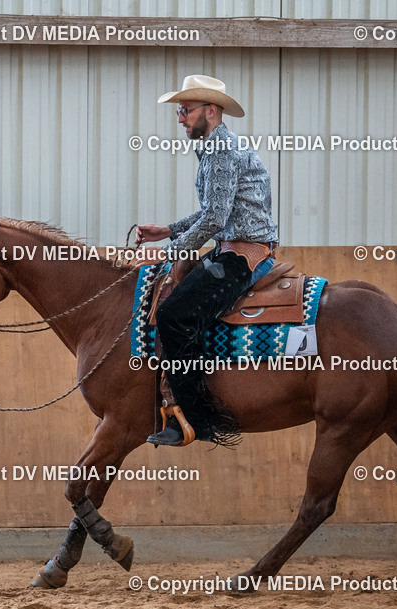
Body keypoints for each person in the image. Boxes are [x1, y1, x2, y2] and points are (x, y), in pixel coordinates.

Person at [137, 75, 278, 447]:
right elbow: (214, 212)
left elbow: (215, 218)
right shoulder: (218, 147)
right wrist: (168, 230)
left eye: (185, 110)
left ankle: (195, 420)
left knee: (173, 315)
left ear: (210, 111)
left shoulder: (221, 150)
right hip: (231, 248)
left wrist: (168, 252)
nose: (180, 118)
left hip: (242, 254)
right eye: (180, 111)